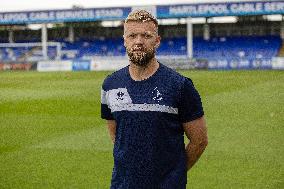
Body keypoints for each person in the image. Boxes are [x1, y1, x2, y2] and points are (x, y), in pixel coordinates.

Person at [101, 10, 208, 189]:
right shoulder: (110, 85)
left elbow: (199, 140)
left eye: (146, 36)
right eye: (132, 35)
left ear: (157, 41)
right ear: (125, 40)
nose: (138, 42)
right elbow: (117, 136)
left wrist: (174, 175)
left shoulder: (180, 85)